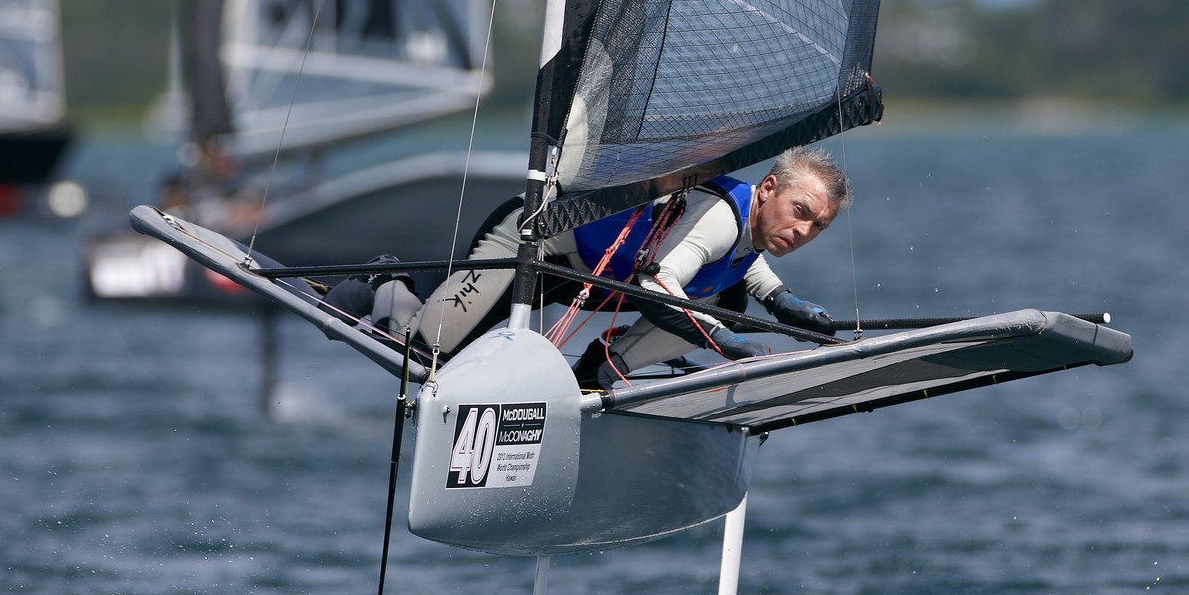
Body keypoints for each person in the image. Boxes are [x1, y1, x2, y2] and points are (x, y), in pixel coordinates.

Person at [338, 145, 850, 387]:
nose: (803, 231)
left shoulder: (751, 230)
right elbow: (659, 279)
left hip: (592, 278)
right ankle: (386, 281)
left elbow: (734, 265)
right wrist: (727, 344)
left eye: (818, 226)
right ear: (767, 190)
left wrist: (783, 301)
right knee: (419, 356)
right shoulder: (719, 215)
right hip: (532, 245)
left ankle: (599, 370)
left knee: (727, 301)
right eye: (800, 212)